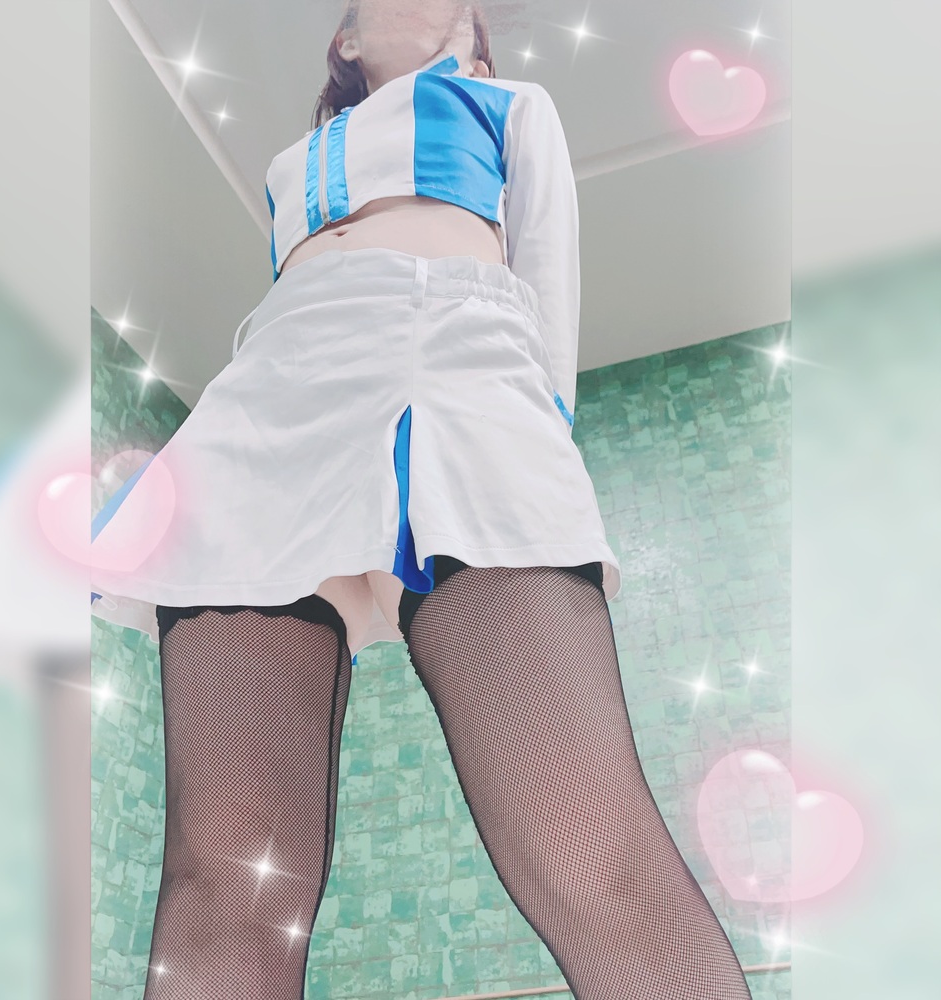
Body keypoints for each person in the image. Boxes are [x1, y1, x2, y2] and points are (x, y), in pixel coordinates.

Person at [91, 2, 754, 997]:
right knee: (222, 880)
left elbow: (546, 292)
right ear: (347, 43)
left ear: (474, 40)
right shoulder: (290, 162)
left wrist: (534, 445)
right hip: (268, 393)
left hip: (457, 351)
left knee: (592, 859)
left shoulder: (510, 105)